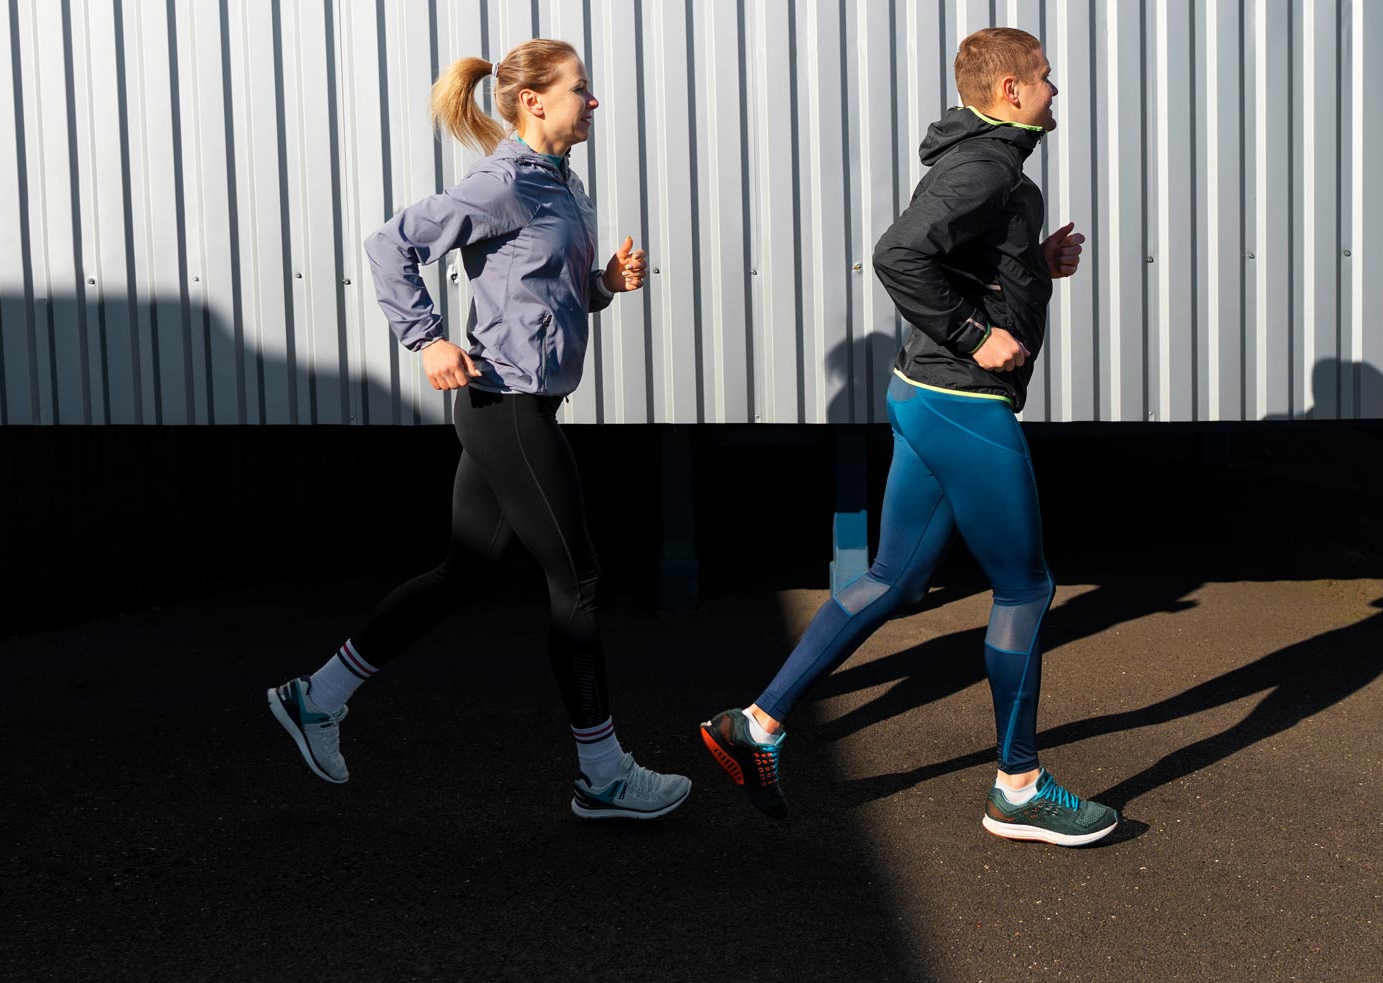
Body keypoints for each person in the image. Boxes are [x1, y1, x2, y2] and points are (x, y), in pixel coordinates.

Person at [699, 27, 1116, 846]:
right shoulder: (985, 165)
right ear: (1009, 92)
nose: (1054, 89)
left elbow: (962, 258)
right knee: (1025, 588)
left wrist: (1032, 262)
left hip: (925, 395)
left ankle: (757, 722)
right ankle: (1019, 785)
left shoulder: (988, 160)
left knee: (893, 574)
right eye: (1044, 77)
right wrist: (973, 334)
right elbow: (900, 257)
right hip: (962, 401)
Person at [268, 38, 690, 821]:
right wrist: (427, 336)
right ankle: (602, 774)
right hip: (507, 409)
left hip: (521, 404)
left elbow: (541, 294)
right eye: (580, 90)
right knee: (579, 580)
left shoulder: (566, 182)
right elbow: (388, 246)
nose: (593, 103)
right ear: (535, 101)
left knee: (465, 572)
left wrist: (603, 285)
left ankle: (316, 697)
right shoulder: (502, 183)